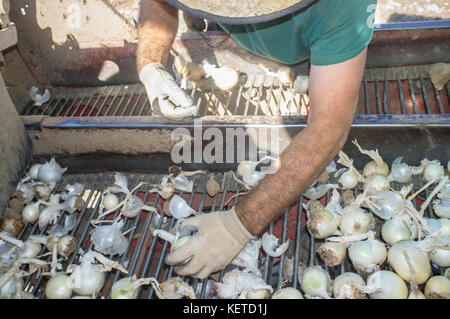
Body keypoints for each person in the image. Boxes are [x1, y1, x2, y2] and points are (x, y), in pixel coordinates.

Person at [137, 0, 378, 279]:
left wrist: (239, 225)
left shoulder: (345, 6)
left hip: (316, 34)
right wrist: (151, 65)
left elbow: (329, 128)